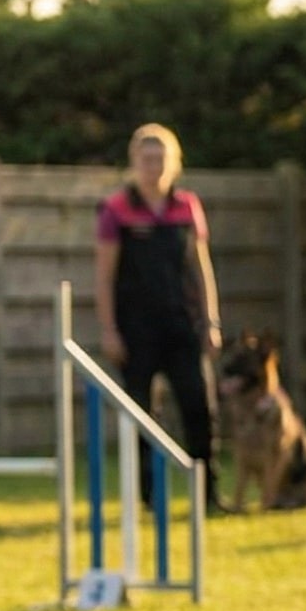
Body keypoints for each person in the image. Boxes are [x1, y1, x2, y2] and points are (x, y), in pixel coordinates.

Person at [95, 123, 223, 510]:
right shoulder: (116, 209)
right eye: (147, 159)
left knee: (199, 408)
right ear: (134, 162)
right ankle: (148, 498)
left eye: (161, 159)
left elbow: (201, 269)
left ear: (174, 163)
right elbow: (104, 276)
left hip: (181, 323)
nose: (154, 166)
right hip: (135, 328)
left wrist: (211, 321)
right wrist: (109, 330)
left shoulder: (187, 206)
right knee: (141, 413)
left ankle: (208, 495)